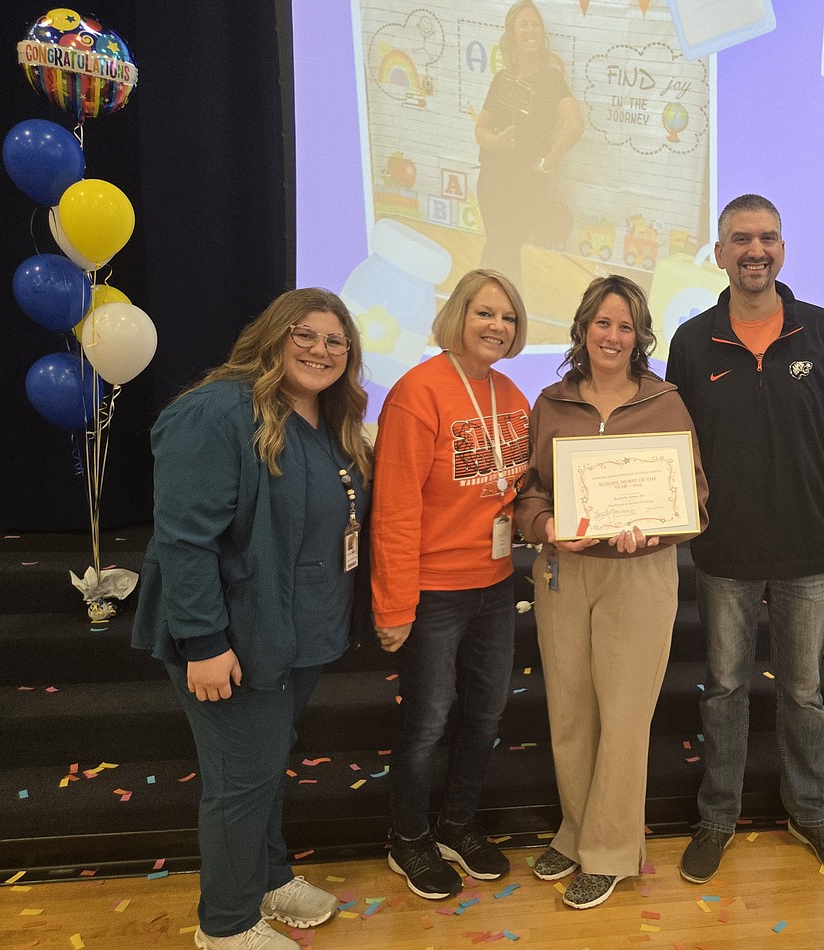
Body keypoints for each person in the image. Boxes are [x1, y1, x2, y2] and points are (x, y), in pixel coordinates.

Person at [132, 289, 373, 950]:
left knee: (263, 767)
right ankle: (227, 926)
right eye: (305, 334)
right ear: (272, 335)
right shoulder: (215, 413)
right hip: (232, 639)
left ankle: (269, 878)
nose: (320, 350)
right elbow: (184, 542)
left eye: (334, 340)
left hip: (295, 635)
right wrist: (204, 642)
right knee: (241, 783)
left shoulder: (329, 419)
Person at [665, 194, 824, 882]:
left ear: (783, 249)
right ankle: (717, 817)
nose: (755, 250)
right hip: (725, 552)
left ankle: (809, 812)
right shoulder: (691, 341)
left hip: (809, 546)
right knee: (723, 689)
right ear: (718, 253)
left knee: (804, 692)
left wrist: (797, 487)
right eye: (740, 239)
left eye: (768, 238)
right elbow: (679, 446)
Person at [516, 275, 709, 909]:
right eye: (602, 323)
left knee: (625, 716)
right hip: (564, 571)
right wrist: (543, 525)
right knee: (571, 713)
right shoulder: (550, 402)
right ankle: (576, 834)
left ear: (640, 336)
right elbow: (531, 490)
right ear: (582, 329)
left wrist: (650, 533)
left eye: (625, 326)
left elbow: (695, 500)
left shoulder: (666, 402)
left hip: (640, 574)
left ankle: (609, 852)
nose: (613, 336)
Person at [373, 269, 532, 900]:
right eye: (484, 313)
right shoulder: (417, 393)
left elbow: (519, 492)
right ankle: (408, 837)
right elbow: (394, 509)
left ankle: (458, 826)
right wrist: (394, 604)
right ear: (457, 316)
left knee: (486, 712)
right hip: (432, 592)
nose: (497, 326)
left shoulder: (514, 396)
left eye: (509, 318)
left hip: (494, 584)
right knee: (429, 720)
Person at [475, 0, 584, 285]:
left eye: (535, 23)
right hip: (492, 181)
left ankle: (484, 309)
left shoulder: (551, 79)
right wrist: (495, 143)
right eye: (523, 24)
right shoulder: (501, 78)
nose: (531, 29)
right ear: (512, 35)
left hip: (525, 186)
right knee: (502, 253)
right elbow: (481, 130)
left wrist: (547, 163)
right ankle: (507, 316)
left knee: (501, 253)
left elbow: (575, 124)